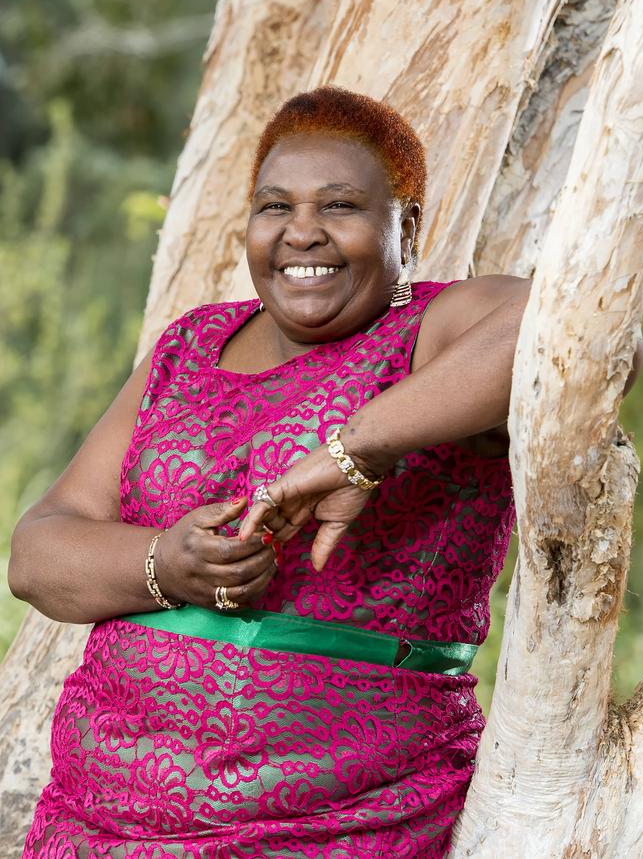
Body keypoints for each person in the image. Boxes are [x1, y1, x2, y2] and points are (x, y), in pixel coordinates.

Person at [11, 85, 535, 858]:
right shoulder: (188, 346)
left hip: (341, 819)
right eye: (274, 207)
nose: (303, 234)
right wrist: (165, 563)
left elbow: (567, 327)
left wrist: (359, 449)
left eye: (341, 207)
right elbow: (38, 551)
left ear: (407, 226)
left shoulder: (434, 330)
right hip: (99, 821)